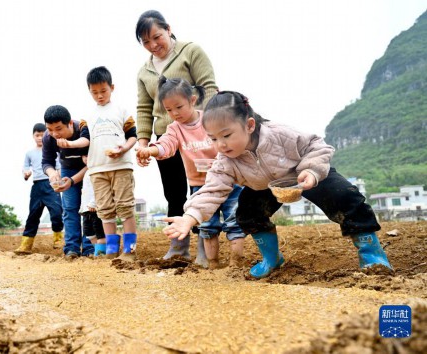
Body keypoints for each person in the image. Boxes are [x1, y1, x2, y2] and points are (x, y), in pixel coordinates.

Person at [163, 91, 393, 278]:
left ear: (249, 125)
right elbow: (212, 191)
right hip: (265, 186)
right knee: (247, 213)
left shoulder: (280, 135)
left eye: (226, 135)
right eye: (213, 139)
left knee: (345, 196)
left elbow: (317, 146)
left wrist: (311, 171)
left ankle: (371, 254)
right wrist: (190, 216)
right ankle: (272, 259)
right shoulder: (225, 161)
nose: (220, 145)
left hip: (306, 174)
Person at [135, 10, 218, 260]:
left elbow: (209, 87)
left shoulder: (191, 51)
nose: (153, 45)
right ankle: (179, 247)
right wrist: (142, 144)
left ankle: (205, 247)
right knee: (174, 194)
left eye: (156, 37)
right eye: (145, 42)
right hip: (167, 137)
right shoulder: (144, 72)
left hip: (198, 136)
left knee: (203, 190)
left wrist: (212, 127)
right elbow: (144, 108)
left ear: (168, 29)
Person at [136, 77, 245, 269]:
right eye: (169, 110)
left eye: (179, 107)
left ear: (192, 100)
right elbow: (166, 145)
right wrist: (151, 150)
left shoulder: (210, 119)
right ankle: (211, 264)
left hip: (228, 182)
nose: (175, 113)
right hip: (199, 186)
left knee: (234, 221)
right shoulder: (174, 129)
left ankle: (235, 265)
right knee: (206, 226)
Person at [65, 66, 139, 260]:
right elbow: (85, 140)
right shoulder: (87, 117)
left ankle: (130, 251)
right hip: (97, 170)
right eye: (94, 92)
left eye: (103, 91)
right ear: (89, 91)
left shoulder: (122, 111)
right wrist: (71, 144)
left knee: (125, 207)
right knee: (104, 211)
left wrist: (123, 148)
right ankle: (112, 251)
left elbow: (133, 136)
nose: (99, 96)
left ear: (112, 87)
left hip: (121, 166)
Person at [41, 105, 95, 259]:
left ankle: (90, 248)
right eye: (50, 129)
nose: (54, 134)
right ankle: (71, 248)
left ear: (70, 123)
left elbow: (92, 163)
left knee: (89, 208)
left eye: (58, 129)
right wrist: (52, 174)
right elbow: (46, 162)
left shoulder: (84, 130)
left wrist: (73, 181)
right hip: (67, 170)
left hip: (89, 170)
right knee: (69, 208)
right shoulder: (48, 137)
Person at [14, 123, 64, 255]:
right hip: (36, 186)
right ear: (33, 136)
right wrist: (26, 174)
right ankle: (26, 245)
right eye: (37, 135)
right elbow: (25, 168)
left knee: (57, 211)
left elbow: (59, 166)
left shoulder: (52, 150)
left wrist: (58, 179)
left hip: (51, 185)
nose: (40, 138)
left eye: (42, 135)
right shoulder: (29, 153)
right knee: (33, 215)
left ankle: (58, 240)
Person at [79, 170, 106, 256]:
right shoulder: (87, 172)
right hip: (86, 210)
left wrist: (94, 202)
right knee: (89, 234)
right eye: (84, 156)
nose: (86, 159)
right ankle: (99, 251)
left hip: (96, 209)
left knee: (100, 234)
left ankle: (102, 254)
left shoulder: (97, 169)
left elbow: (100, 188)